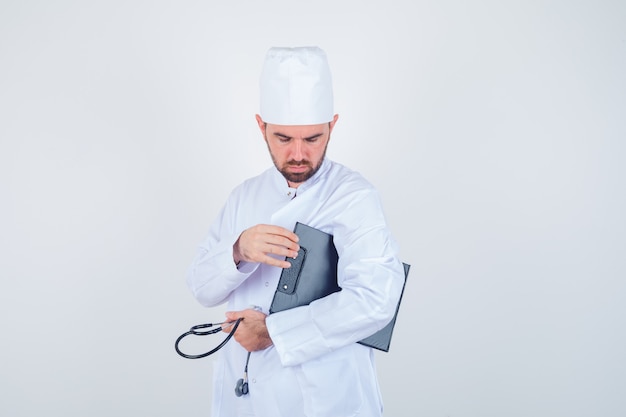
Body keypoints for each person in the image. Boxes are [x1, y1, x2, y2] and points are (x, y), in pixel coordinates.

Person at [187, 46, 405, 417]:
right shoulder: (245, 196)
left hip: (328, 399)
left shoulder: (353, 197)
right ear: (262, 127)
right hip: (247, 398)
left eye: (314, 138)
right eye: (284, 139)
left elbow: (375, 300)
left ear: (332, 126)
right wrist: (238, 250)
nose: (299, 154)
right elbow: (201, 287)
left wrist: (274, 331)